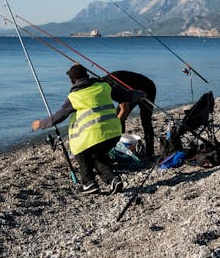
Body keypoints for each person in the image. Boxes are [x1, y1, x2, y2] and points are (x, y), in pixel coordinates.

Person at [32, 64, 144, 195]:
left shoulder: (74, 97)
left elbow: (58, 116)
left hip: (95, 136)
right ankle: (113, 180)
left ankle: (89, 183)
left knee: (81, 151)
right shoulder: (104, 86)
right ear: (87, 75)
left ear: (72, 81)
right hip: (114, 134)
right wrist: (139, 94)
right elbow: (125, 95)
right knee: (97, 156)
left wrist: (40, 124)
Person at [102, 71, 157, 161]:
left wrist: (114, 126)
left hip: (147, 88)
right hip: (132, 89)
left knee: (145, 120)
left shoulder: (115, 87)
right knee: (118, 117)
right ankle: (120, 147)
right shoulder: (103, 85)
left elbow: (125, 110)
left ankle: (150, 153)